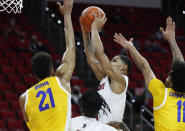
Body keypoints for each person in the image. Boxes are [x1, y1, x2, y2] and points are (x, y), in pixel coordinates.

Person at [114, 17, 185, 130]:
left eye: (168, 76)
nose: (166, 78)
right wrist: (172, 41)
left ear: (173, 82)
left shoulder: (162, 93)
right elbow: (181, 67)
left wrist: (131, 48)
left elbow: (145, 67)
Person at [19, 0, 75, 130]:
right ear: (52, 69)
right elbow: (71, 47)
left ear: (34, 73)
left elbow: (30, 123)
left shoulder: (24, 98)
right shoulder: (62, 81)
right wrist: (67, 15)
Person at [80, 14, 132, 128]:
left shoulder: (122, 80)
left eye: (114, 60)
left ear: (124, 67)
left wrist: (94, 27)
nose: (110, 62)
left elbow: (99, 53)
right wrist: (85, 33)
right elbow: (91, 60)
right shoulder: (106, 79)